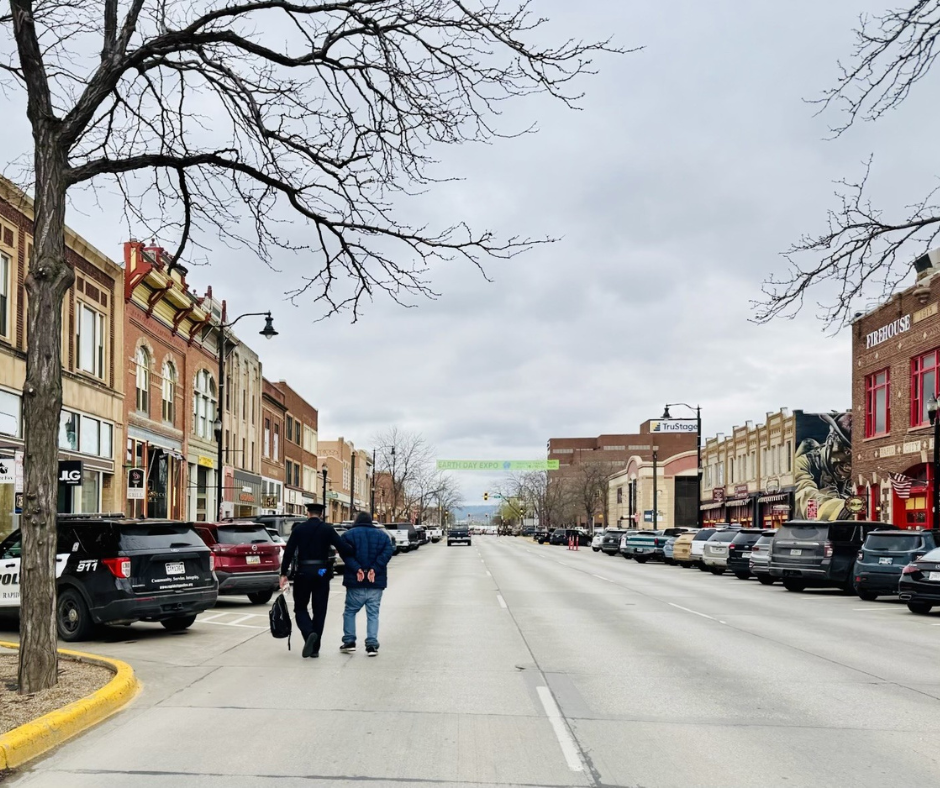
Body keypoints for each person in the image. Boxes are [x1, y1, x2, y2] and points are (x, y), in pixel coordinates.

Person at [279, 502, 354, 659]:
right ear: (321, 514)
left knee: (300, 608)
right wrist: (354, 548)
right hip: (321, 571)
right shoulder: (327, 529)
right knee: (320, 610)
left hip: (303, 572)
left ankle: (309, 634)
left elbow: (289, 552)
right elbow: (343, 547)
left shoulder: (298, 529)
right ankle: (315, 648)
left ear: (308, 513)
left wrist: (283, 573)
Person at [339, 511, 394, 656]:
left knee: (350, 612)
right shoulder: (383, 536)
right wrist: (374, 569)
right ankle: (371, 645)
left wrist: (357, 569)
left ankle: (349, 641)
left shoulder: (348, 535)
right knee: (373, 614)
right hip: (375, 581)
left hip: (355, 581)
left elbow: (345, 554)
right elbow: (388, 552)